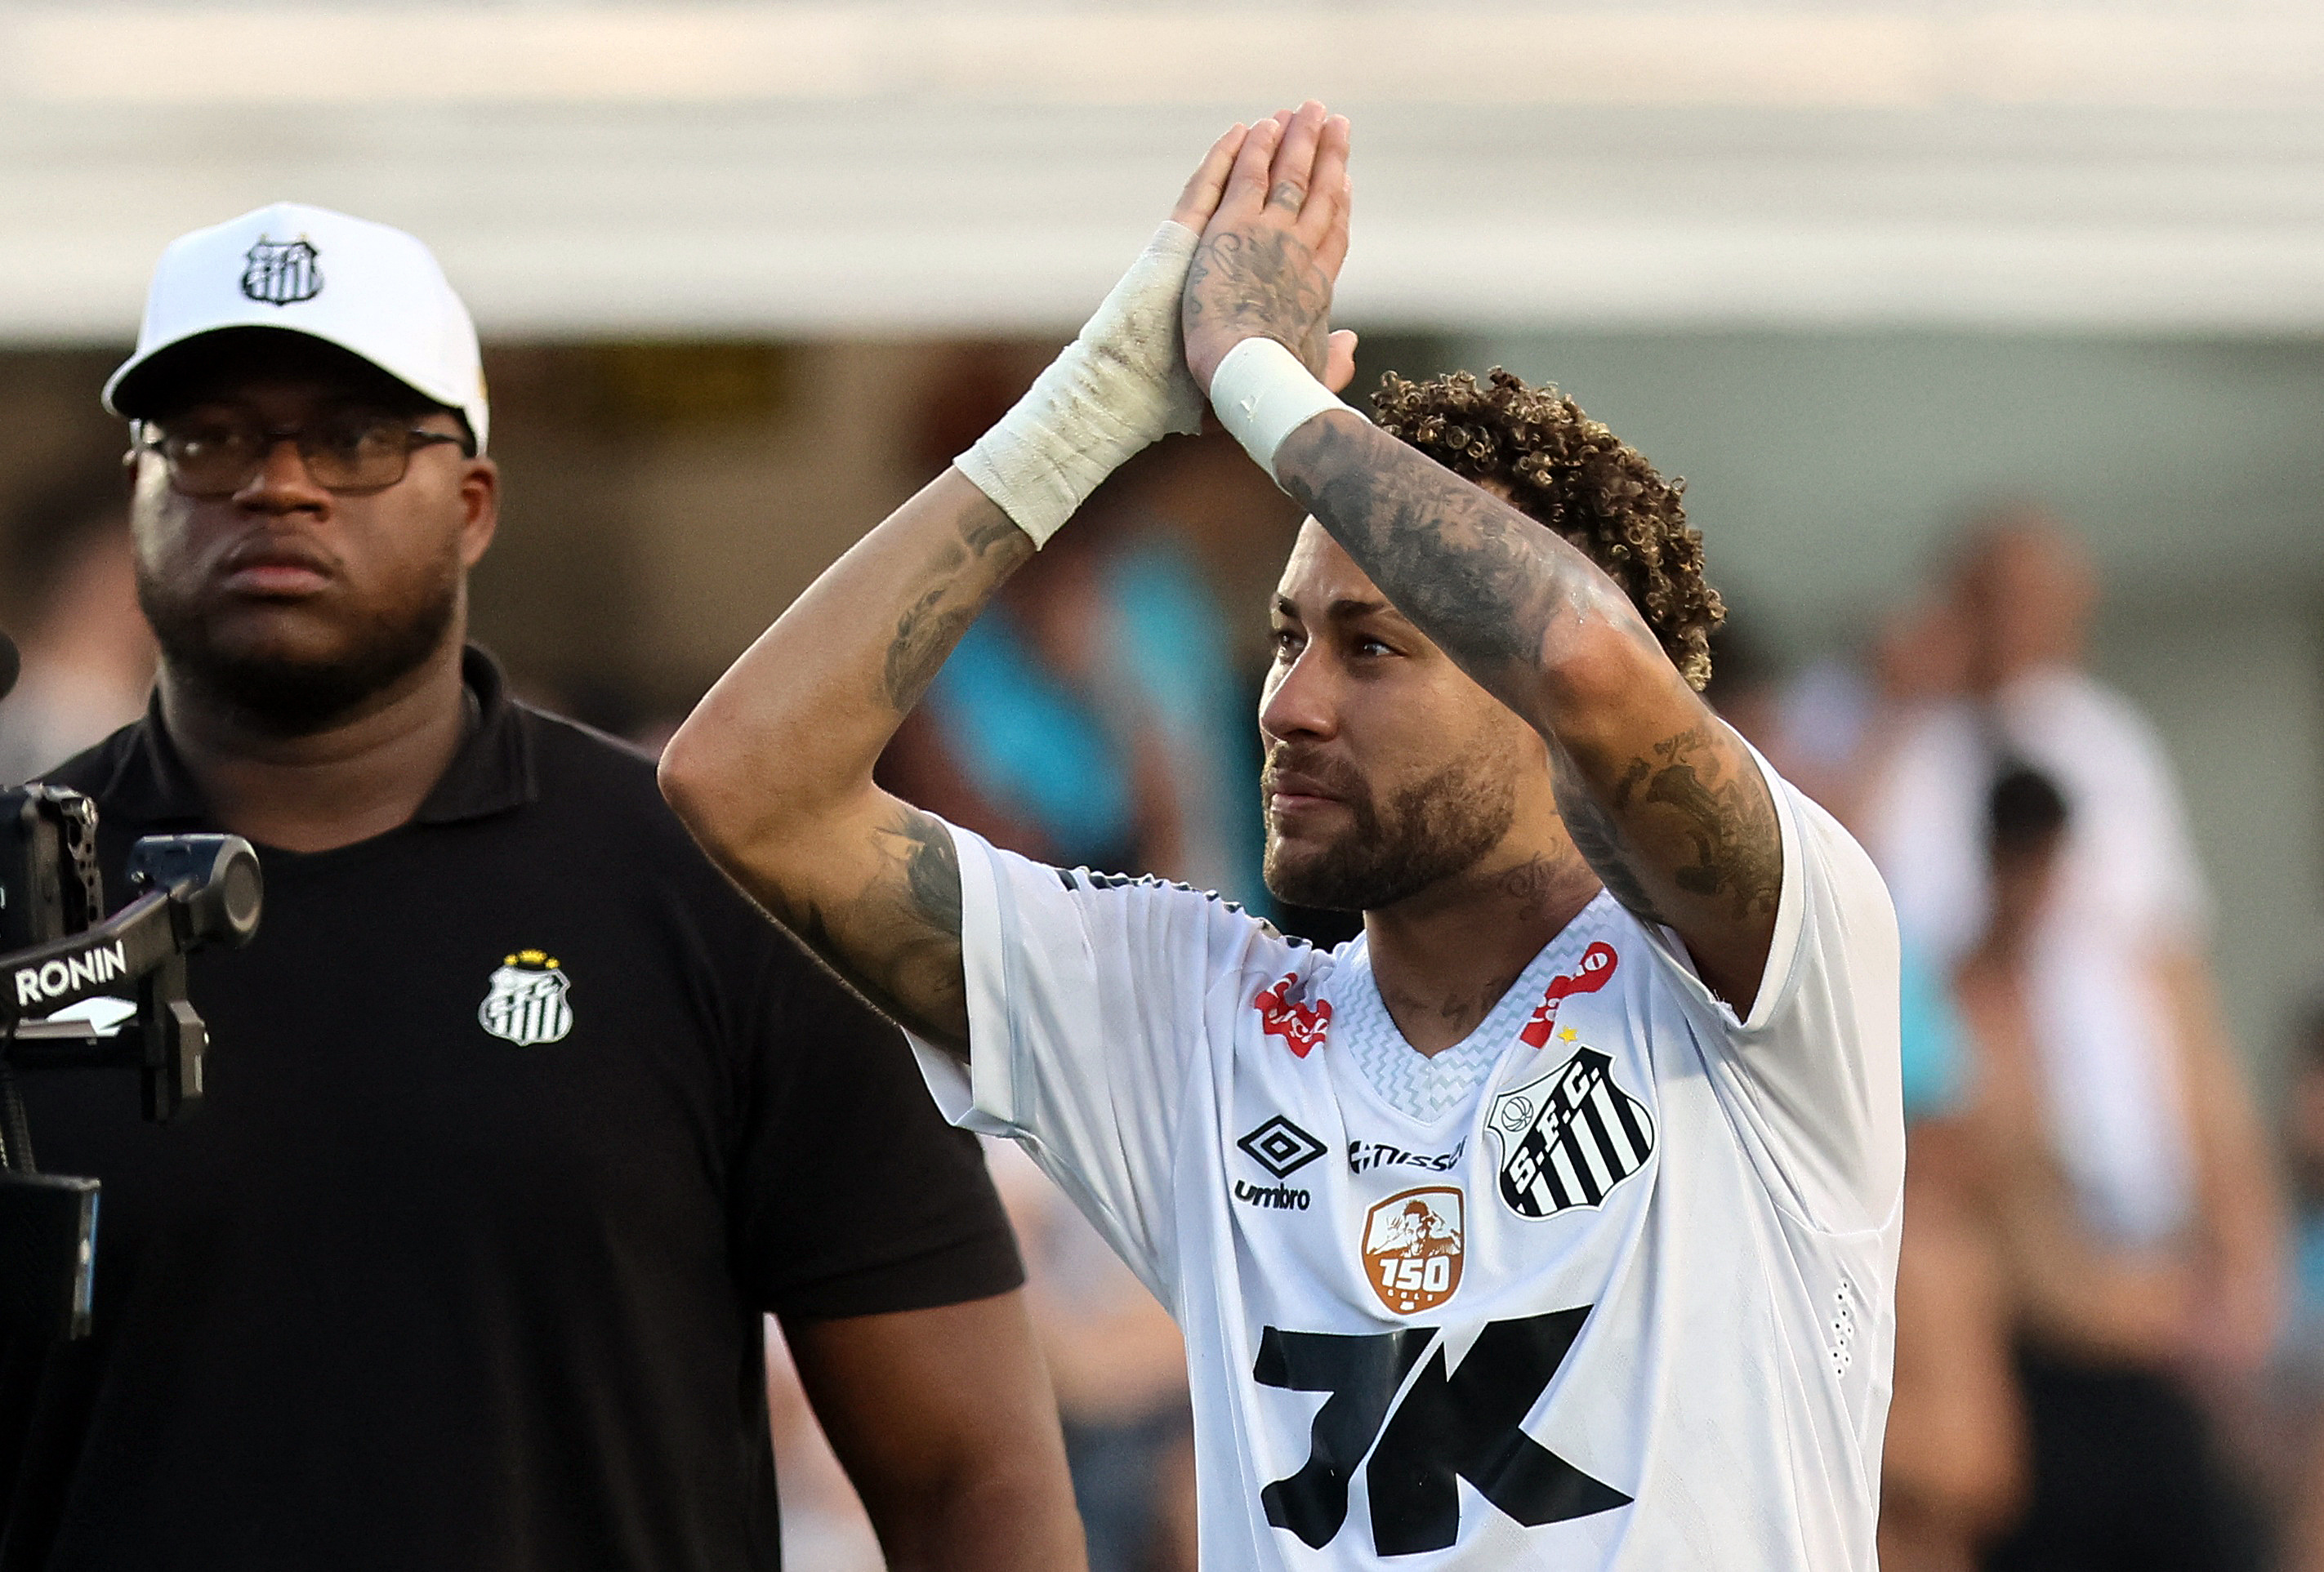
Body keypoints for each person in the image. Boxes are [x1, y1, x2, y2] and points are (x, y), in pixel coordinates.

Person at [663, 105, 1902, 1570]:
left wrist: (1255, 380)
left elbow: (1581, 655)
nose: (1288, 703)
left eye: (1371, 648)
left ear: (1525, 701)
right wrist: (1095, 407)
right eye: (1282, 637)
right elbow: (741, 782)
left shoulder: (1753, 979)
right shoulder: (1191, 1018)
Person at [0, 202, 1082, 1571]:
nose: (278, 482)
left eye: (354, 435)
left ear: (473, 505)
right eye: (209, 437)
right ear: (139, 489)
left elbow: (971, 1476)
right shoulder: (19, 902)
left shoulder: (713, 893)